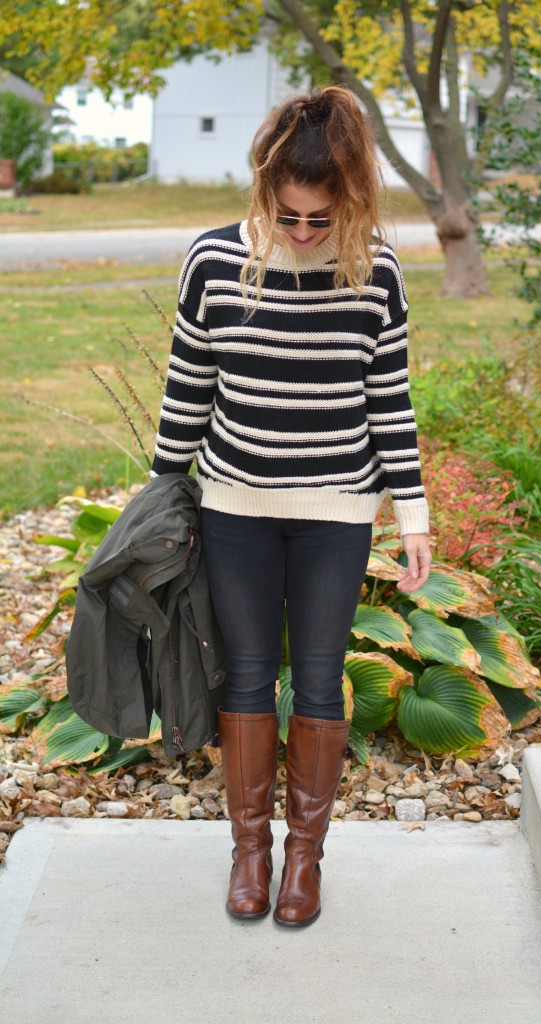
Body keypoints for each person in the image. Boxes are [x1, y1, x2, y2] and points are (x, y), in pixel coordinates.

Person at [151, 86, 431, 927]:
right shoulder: (212, 262)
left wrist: (413, 518)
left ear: (351, 196)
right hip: (234, 505)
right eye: (289, 217)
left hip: (337, 512)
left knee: (314, 679)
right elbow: (187, 391)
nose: (305, 234)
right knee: (244, 675)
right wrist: (163, 497)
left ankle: (303, 859)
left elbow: (390, 400)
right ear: (263, 191)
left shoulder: (373, 269)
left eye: (322, 218)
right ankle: (250, 851)